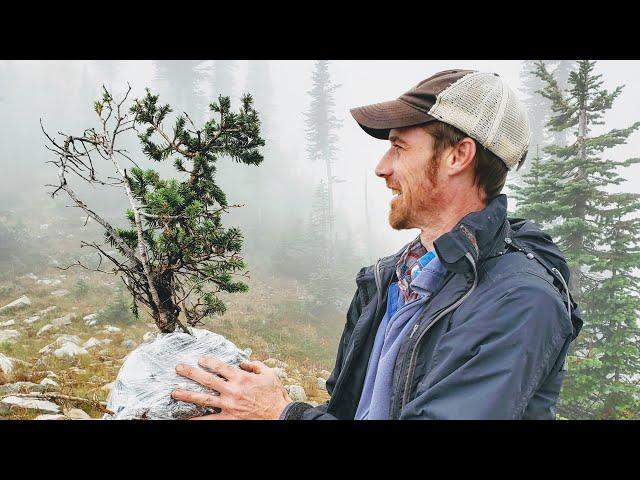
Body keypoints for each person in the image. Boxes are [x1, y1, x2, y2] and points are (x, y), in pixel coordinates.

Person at [170, 69, 583, 420]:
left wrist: (282, 413)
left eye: (399, 147)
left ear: (459, 156)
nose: (381, 168)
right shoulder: (389, 279)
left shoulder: (519, 301)